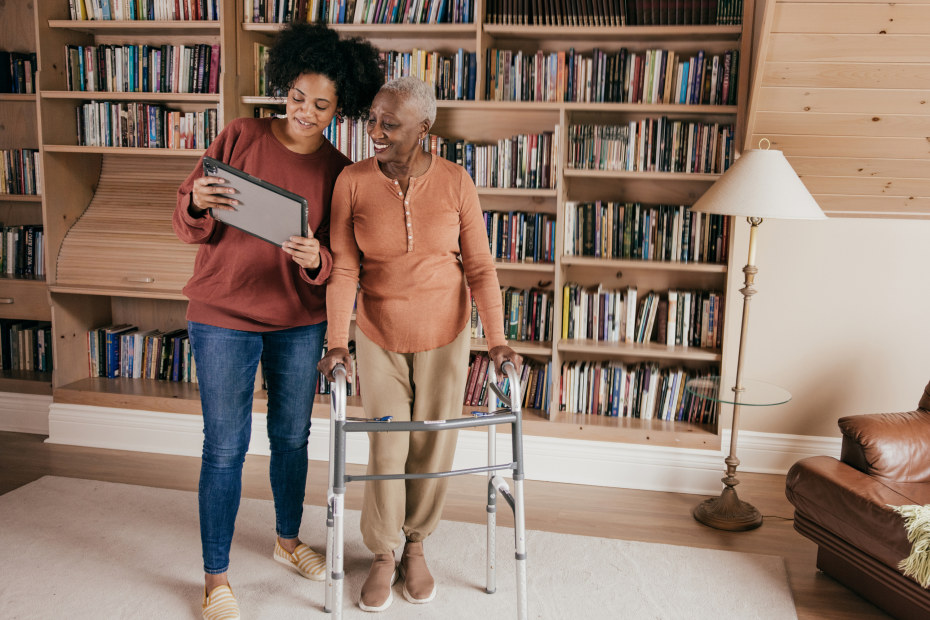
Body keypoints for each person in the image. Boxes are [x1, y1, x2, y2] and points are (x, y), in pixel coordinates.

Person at [172, 22, 382, 620]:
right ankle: (216, 579)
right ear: (282, 88)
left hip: (297, 321)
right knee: (225, 448)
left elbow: (345, 265)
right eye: (297, 97)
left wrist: (319, 259)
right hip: (221, 314)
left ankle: (288, 542)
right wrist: (195, 202)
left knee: (292, 439)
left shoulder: (342, 173)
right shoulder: (239, 134)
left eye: (322, 105)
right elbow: (188, 220)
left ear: (341, 108)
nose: (305, 113)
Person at [317, 76, 522, 612]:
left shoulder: (457, 182)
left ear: (424, 129)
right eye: (372, 121)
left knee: (434, 443)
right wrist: (338, 342)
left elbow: (479, 266)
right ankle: (382, 554)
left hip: (446, 333)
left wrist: (497, 341)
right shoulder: (352, 182)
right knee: (388, 444)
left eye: (390, 124)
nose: (375, 132)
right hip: (378, 331)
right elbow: (343, 267)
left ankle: (415, 545)